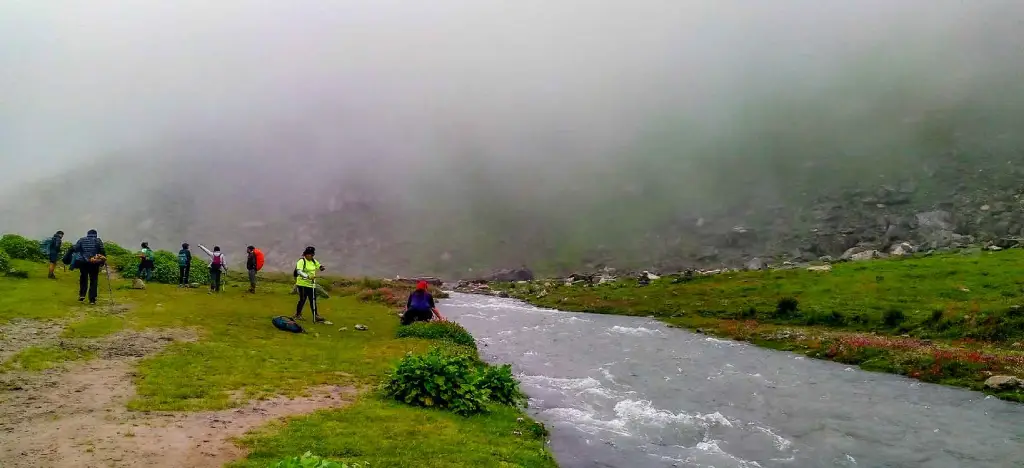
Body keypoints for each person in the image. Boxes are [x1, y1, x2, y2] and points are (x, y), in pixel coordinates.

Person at [71, 229, 106, 304]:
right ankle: (92, 299)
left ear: (88, 234)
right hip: (94, 261)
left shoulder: (81, 240)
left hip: (83, 261)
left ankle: (82, 295)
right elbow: (102, 250)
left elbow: (76, 248)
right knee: (93, 279)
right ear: (95, 234)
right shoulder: (98, 240)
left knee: (83, 277)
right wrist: (103, 260)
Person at [294, 246, 326, 322]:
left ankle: (316, 315)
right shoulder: (301, 261)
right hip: (302, 284)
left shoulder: (313, 261)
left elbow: (318, 265)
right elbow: (299, 271)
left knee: (313, 300)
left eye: (312, 255)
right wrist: (307, 276)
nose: (311, 256)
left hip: (311, 284)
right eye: (309, 254)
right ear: (305, 254)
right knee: (303, 299)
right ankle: (298, 314)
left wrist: (321, 267)